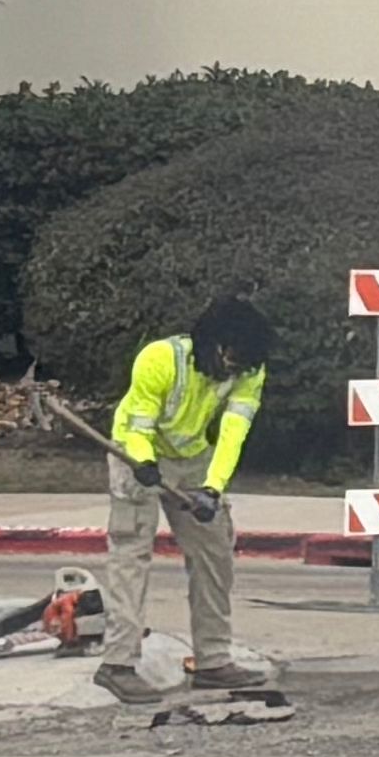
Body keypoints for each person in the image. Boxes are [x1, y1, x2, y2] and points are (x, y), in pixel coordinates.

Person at [101, 297, 274, 695]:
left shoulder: (250, 369)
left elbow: (233, 432)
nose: (231, 370)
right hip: (132, 452)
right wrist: (143, 463)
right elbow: (138, 425)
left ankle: (213, 660)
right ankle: (117, 663)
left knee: (214, 554)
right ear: (210, 342)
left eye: (240, 364)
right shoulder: (159, 359)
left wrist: (213, 488)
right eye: (228, 358)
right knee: (131, 555)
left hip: (193, 457)